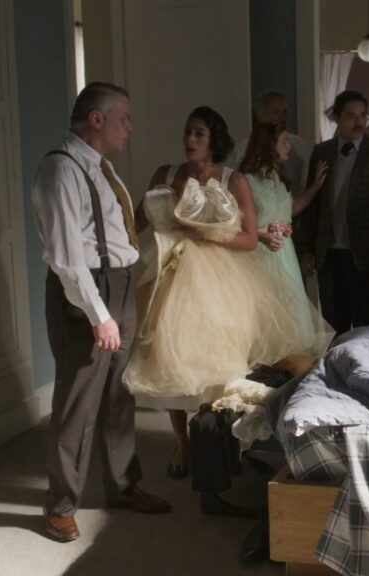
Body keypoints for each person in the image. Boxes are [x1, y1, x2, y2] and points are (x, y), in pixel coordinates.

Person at [122, 106, 299, 481]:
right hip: (169, 275)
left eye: (198, 133)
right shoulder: (166, 174)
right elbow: (137, 221)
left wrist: (207, 234)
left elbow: (249, 238)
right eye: (187, 132)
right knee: (169, 358)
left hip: (220, 281)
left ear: (213, 139)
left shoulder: (234, 180)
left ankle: (218, 438)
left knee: (219, 363)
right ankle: (182, 441)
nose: (190, 139)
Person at [32, 81, 170, 543]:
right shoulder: (60, 169)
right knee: (78, 400)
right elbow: (67, 256)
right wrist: (98, 314)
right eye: (123, 118)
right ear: (96, 118)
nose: (129, 127)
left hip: (120, 284)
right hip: (86, 291)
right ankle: (60, 506)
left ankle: (124, 485)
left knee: (118, 394)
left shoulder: (101, 168)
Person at [296, 90, 369, 335]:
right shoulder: (321, 152)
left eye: (363, 115)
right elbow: (313, 205)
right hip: (329, 254)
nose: (358, 122)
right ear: (337, 118)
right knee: (334, 323)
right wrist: (307, 249)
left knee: (368, 324)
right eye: (350, 116)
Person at [238, 122, 335, 354]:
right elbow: (237, 222)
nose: (289, 146)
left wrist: (314, 187)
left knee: (290, 312)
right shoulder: (246, 181)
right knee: (265, 313)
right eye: (284, 141)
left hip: (285, 252)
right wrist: (262, 232)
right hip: (261, 255)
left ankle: (287, 364)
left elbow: (290, 209)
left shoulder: (280, 179)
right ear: (270, 145)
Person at [229, 89, 310, 196]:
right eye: (275, 112)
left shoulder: (300, 146)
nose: (282, 118)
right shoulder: (242, 150)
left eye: (284, 112)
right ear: (259, 116)